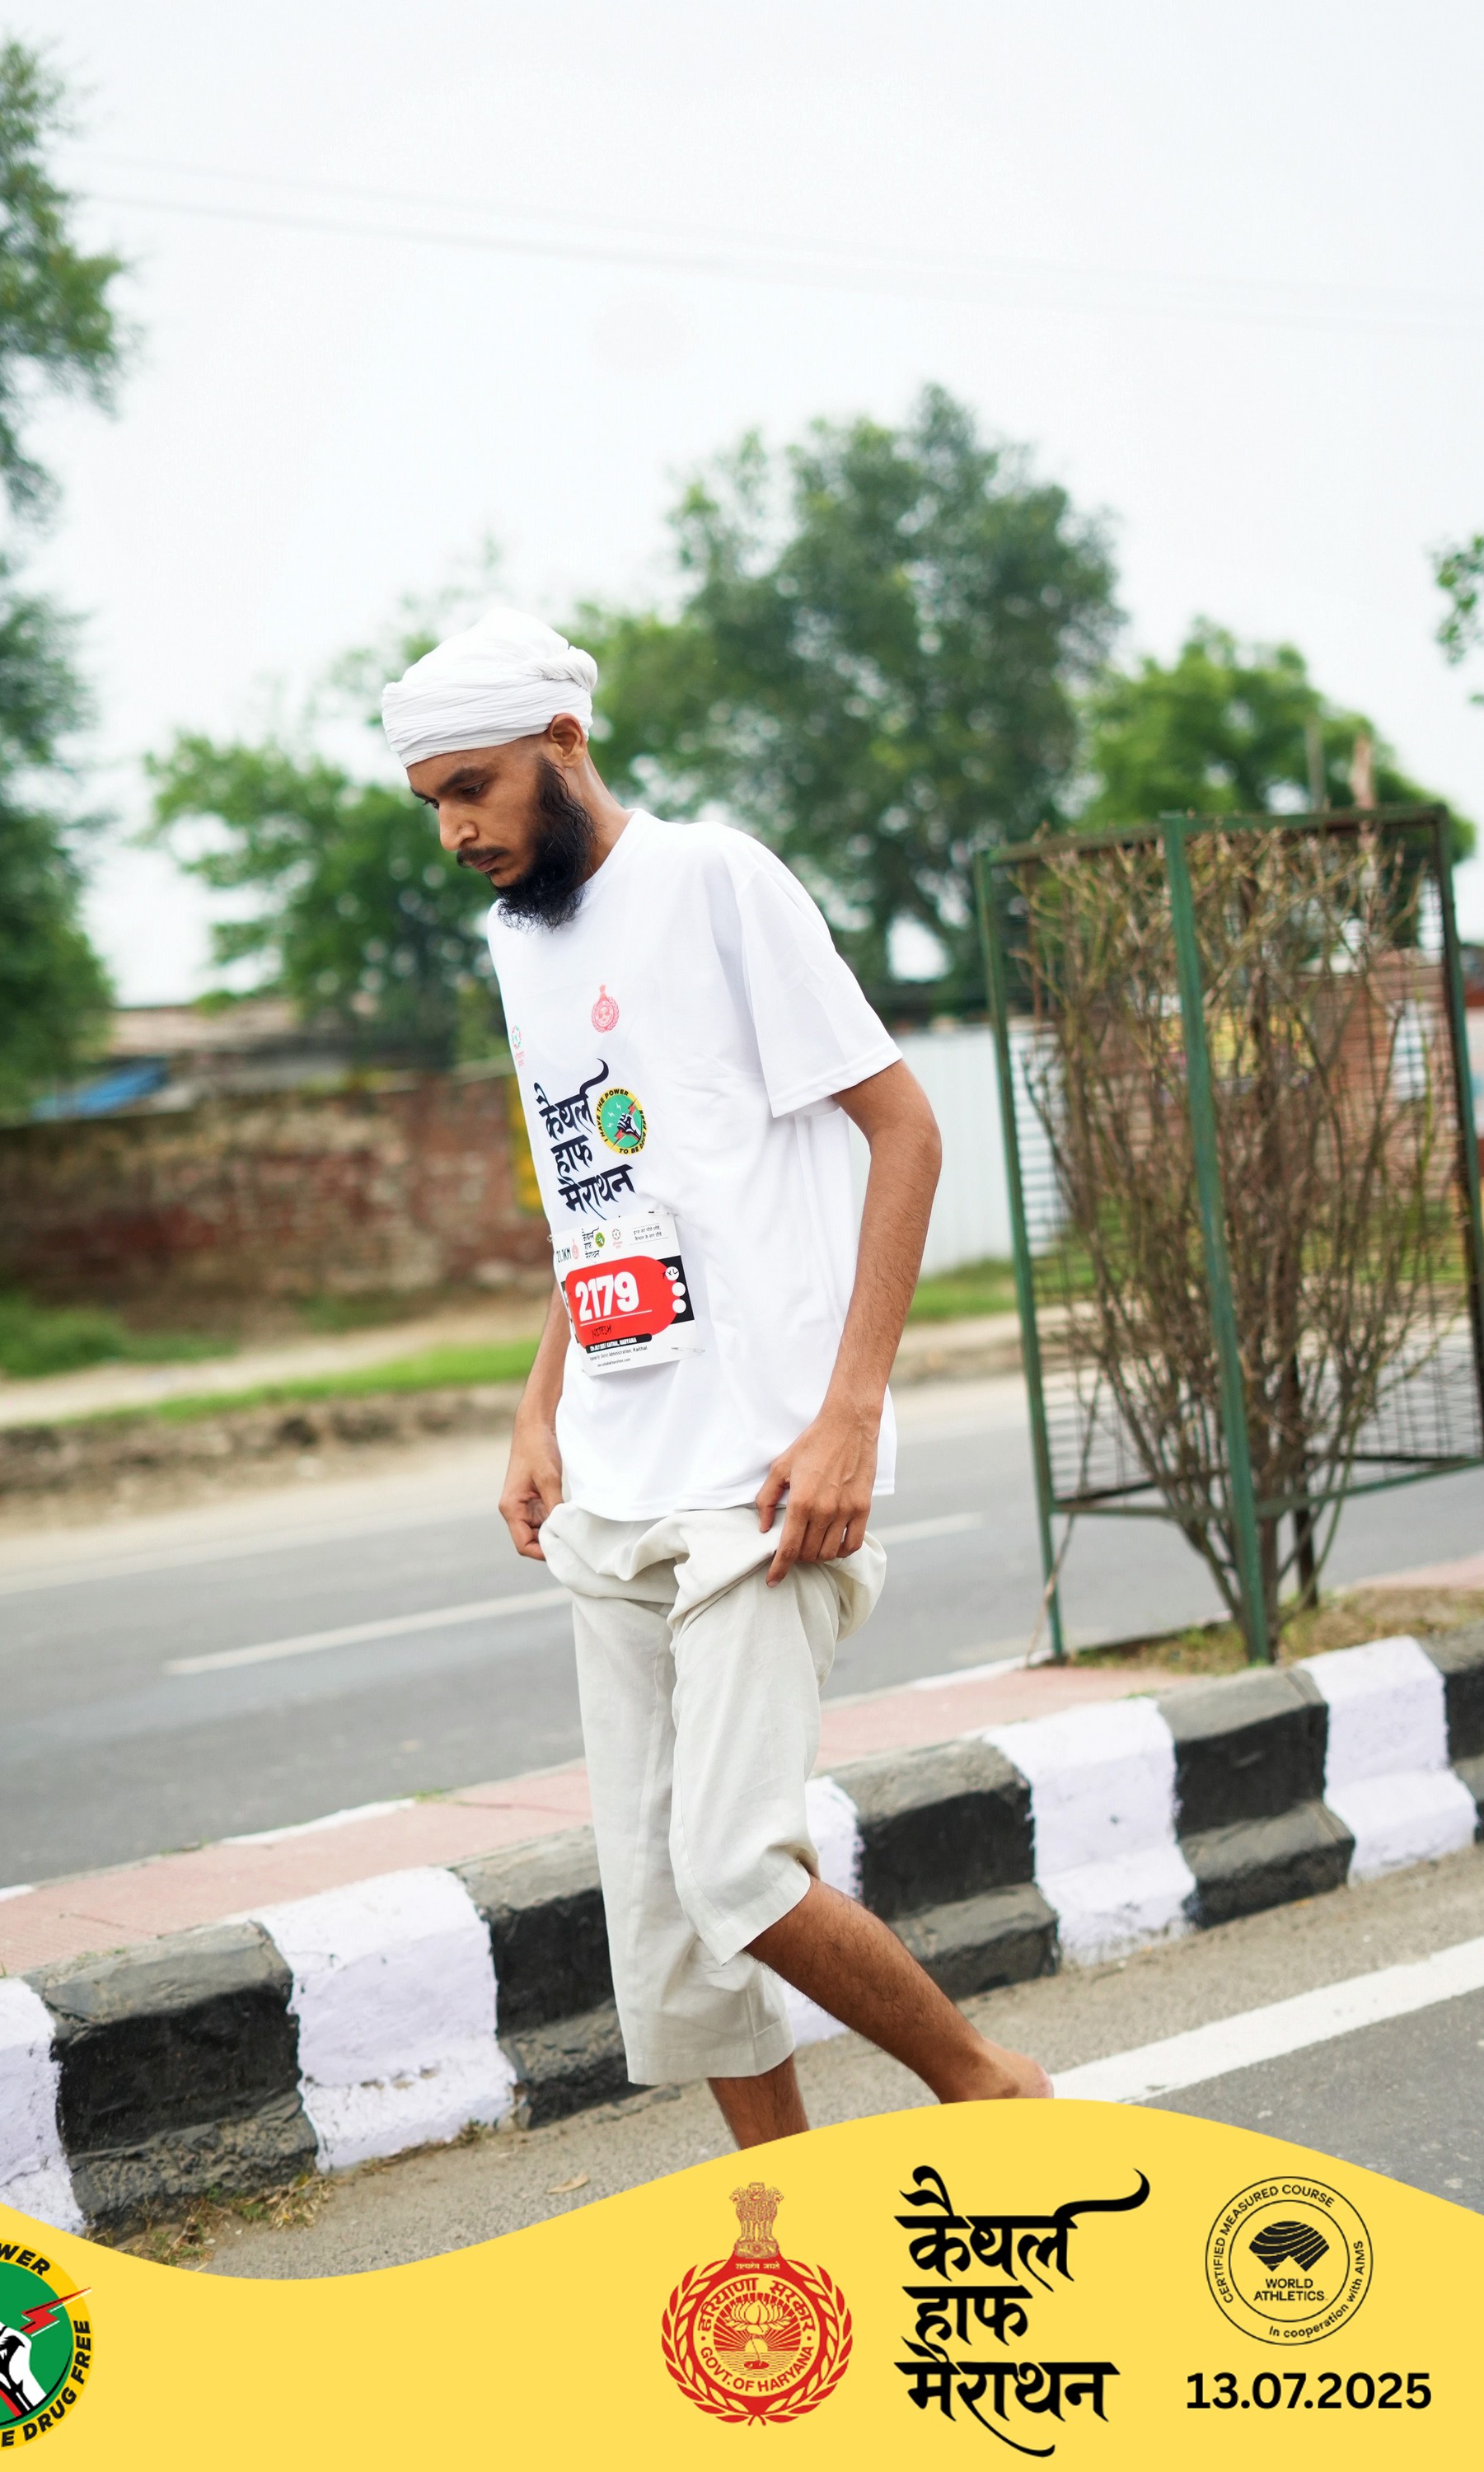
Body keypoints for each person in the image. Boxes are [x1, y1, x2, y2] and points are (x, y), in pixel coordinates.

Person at [382, 607, 1051, 2145]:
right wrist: (538, 1406)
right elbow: (597, 1199)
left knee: (736, 1867)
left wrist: (849, 1415)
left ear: (565, 744)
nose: (456, 830)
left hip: (762, 1469)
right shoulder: (519, 941)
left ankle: (991, 2091)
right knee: (669, 1921)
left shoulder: (714, 881)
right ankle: (794, 2221)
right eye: (432, 802)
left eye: (474, 786)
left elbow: (908, 1132)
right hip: (615, 1470)